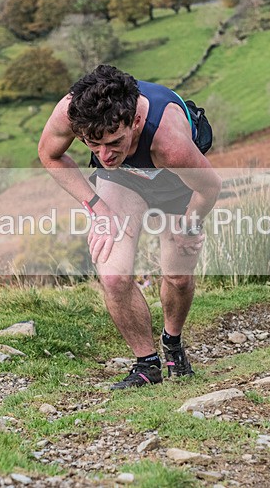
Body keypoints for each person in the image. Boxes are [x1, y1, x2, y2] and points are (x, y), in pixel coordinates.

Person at [38, 65, 222, 389]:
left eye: (113, 142)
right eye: (92, 145)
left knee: (178, 278)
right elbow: (49, 154)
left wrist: (190, 223)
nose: (104, 154)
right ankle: (146, 364)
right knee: (112, 275)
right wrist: (96, 206)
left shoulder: (170, 142)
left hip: (176, 184)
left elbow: (209, 187)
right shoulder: (72, 112)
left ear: (135, 121)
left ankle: (173, 342)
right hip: (122, 181)